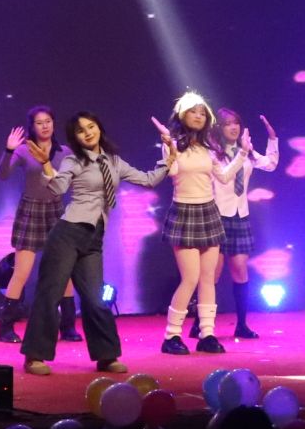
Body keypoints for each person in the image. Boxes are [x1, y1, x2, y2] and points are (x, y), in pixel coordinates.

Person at [20, 111, 169, 377]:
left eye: (91, 127)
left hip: (93, 237)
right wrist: (46, 165)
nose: (88, 133)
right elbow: (58, 189)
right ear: (74, 137)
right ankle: (35, 356)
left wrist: (168, 160)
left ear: (99, 128)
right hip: (68, 233)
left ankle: (106, 356)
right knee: (50, 294)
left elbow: (148, 180)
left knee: (94, 298)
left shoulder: (114, 161)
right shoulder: (73, 160)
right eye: (81, 130)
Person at [153, 92, 236, 356]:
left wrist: (244, 154)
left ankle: (207, 334)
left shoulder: (209, 147)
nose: (199, 116)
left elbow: (223, 177)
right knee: (190, 278)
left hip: (208, 211)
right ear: (182, 115)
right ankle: (172, 336)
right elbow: (172, 173)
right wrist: (170, 148)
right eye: (193, 111)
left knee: (208, 278)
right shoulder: (173, 143)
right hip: (184, 211)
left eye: (202, 112)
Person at [0, 105, 72, 344]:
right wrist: (8, 150)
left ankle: (68, 327)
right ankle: (6, 328)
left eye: (48, 121)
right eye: (39, 122)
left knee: (64, 270)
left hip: (56, 210)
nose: (45, 126)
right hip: (30, 210)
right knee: (22, 271)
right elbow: (2, 175)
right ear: (32, 126)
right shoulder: (24, 150)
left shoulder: (65, 152)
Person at [208, 108, 280, 341]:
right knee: (213, 273)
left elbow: (270, 164)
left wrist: (272, 138)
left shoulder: (246, 151)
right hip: (217, 215)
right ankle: (202, 323)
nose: (234, 127)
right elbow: (224, 176)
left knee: (240, 269)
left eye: (236, 123)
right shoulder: (212, 152)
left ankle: (241, 324)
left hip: (240, 215)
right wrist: (241, 153)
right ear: (218, 128)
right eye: (228, 123)